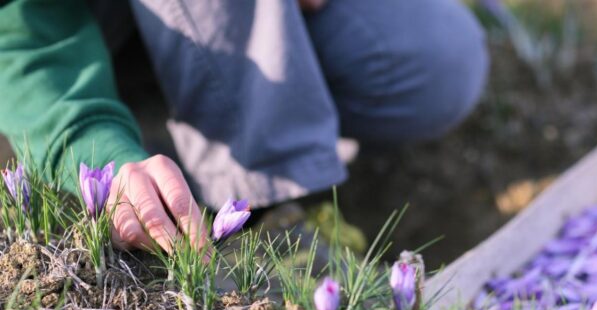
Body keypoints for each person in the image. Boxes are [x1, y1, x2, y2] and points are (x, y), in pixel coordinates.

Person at [0, 0, 488, 251]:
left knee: (436, 62)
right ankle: (269, 214)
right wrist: (97, 150)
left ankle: (198, 129)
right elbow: (19, 36)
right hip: (50, 52)